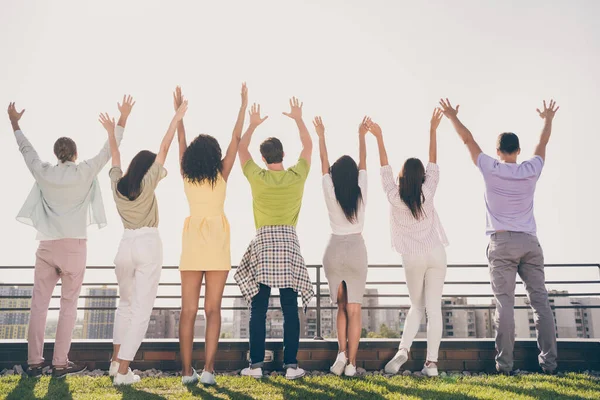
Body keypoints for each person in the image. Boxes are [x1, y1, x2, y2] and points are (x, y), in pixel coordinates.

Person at [8, 97, 132, 378]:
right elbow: (107, 151)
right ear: (74, 154)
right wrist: (121, 121)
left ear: (58, 154)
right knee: (68, 307)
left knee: (38, 306)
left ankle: (35, 362)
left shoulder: (44, 172)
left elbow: (26, 150)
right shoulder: (85, 170)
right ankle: (61, 363)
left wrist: (15, 122)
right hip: (75, 247)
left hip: (47, 246)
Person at [439, 98, 559, 375]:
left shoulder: (490, 168)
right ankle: (549, 364)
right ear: (518, 150)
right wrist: (547, 118)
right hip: (530, 242)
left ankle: (504, 366)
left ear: (497, 151)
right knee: (540, 302)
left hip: (502, 242)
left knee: (504, 304)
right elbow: (543, 144)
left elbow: (468, 140)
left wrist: (452, 117)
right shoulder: (531, 169)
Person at [104, 99, 188, 385]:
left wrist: (117, 124)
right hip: (147, 244)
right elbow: (164, 147)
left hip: (124, 246)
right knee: (141, 310)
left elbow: (115, 156)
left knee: (125, 305)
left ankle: (116, 362)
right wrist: (176, 117)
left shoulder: (117, 184)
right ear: (147, 168)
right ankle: (124, 371)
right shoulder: (148, 183)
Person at [234, 97, 314, 380]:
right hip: (289, 243)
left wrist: (252, 124)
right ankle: (291, 365)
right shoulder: (297, 176)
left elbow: (241, 148)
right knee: (290, 307)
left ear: (264, 158)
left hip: (264, 244)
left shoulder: (257, 176)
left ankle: (255, 365)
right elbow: (309, 146)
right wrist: (298, 118)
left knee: (259, 306)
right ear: (282, 154)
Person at [175, 84, 248, 386]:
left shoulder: (185, 172)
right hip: (217, 245)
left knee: (188, 310)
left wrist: (178, 114)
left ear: (192, 156)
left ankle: (185, 372)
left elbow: (180, 138)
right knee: (213, 310)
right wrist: (242, 106)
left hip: (193, 245)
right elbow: (235, 139)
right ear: (214, 155)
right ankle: (209, 370)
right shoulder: (221, 174)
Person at [375, 109, 449, 377]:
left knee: (417, 307)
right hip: (436, 254)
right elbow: (434, 163)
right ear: (422, 178)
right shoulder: (428, 192)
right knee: (434, 309)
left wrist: (379, 137)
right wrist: (432, 129)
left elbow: (384, 169)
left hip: (412, 257)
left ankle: (403, 351)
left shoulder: (394, 197)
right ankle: (431, 364)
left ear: (403, 176)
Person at [313, 115, 370, 377]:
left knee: (341, 307)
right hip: (356, 248)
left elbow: (323, 165)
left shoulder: (329, 191)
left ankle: (341, 353)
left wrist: (321, 135)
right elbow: (364, 164)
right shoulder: (361, 190)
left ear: (336, 176)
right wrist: (361, 135)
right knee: (355, 309)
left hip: (334, 249)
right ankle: (352, 364)